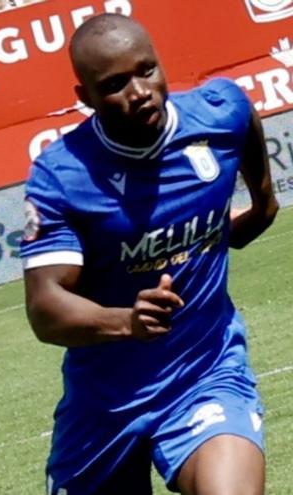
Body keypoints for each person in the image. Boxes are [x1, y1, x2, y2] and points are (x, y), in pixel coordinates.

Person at [21, 14, 278, 495]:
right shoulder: (62, 176)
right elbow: (45, 308)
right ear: (86, 99)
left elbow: (245, 119)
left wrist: (258, 208)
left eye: (146, 70)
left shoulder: (217, 114)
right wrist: (126, 322)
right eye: (115, 84)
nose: (139, 91)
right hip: (105, 405)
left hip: (206, 373)